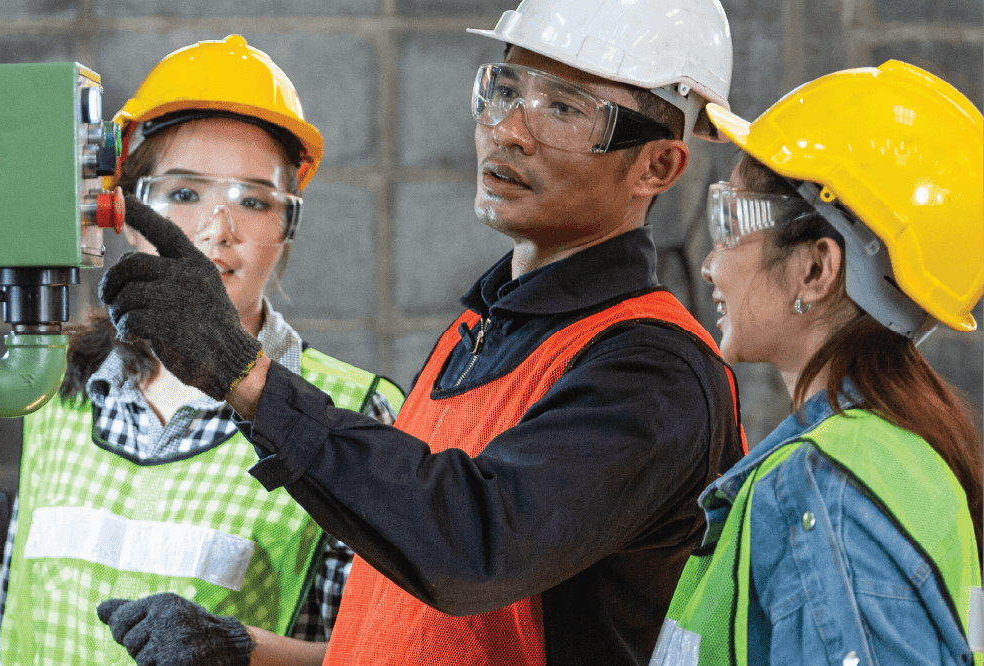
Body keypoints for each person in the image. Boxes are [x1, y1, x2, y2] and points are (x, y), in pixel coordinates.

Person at [95, 1, 749, 664]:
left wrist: (245, 374)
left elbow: (474, 546)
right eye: (503, 90)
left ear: (657, 167)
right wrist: (249, 652)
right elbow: (407, 612)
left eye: (563, 108)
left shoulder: (653, 372)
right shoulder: (476, 331)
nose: (507, 131)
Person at [0, 35, 407, 666]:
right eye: (185, 194)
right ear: (127, 213)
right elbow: (12, 629)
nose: (218, 230)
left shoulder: (351, 409)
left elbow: (389, 653)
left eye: (254, 201)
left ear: (285, 229)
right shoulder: (54, 389)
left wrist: (246, 653)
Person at [652, 60, 984, 666]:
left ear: (816, 268)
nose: (709, 265)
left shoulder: (827, 492)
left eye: (730, 222)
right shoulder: (906, 456)